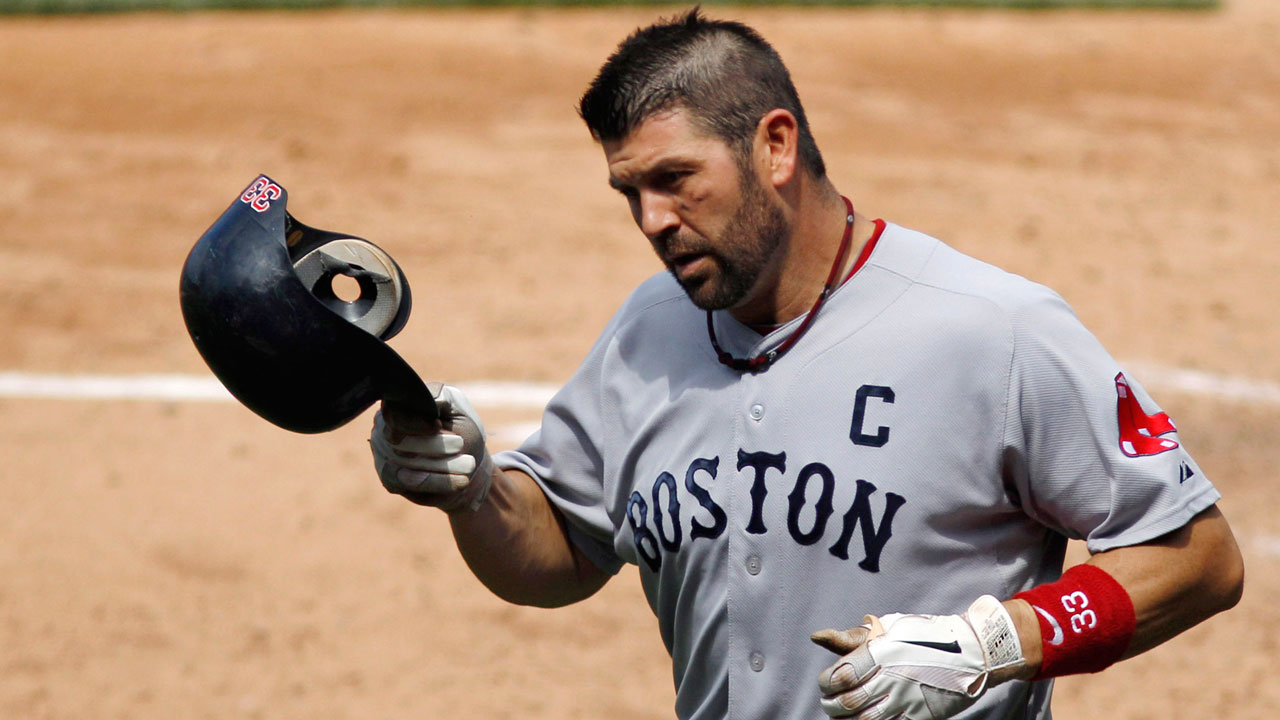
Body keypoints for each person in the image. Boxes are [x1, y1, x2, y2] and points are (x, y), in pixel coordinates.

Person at [369, 9, 1244, 720]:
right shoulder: (647, 333)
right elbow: (556, 552)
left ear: (775, 146)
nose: (652, 220)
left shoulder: (991, 331)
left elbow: (1199, 557)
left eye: (676, 178)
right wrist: (473, 490)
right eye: (629, 192)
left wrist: (992, 645)